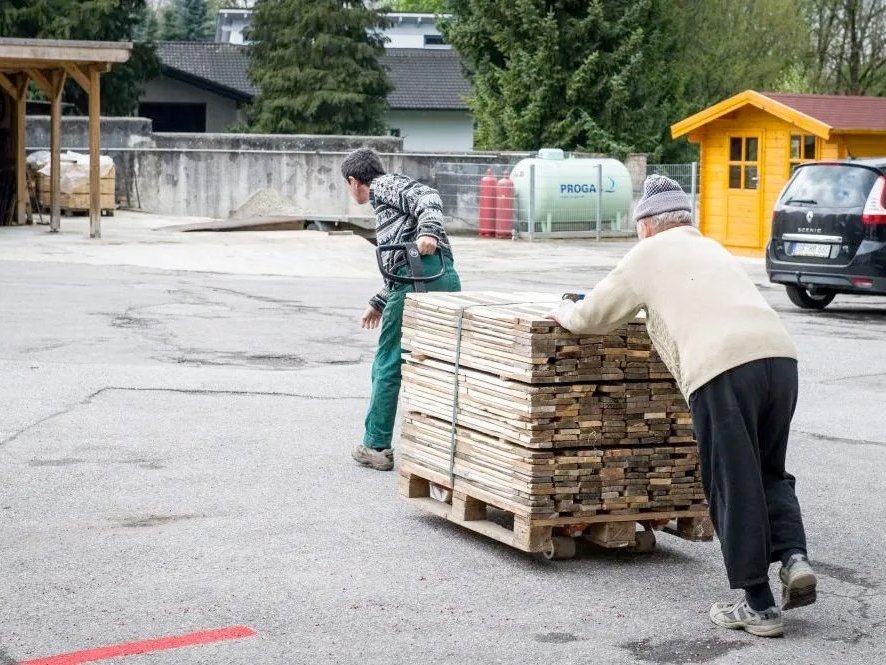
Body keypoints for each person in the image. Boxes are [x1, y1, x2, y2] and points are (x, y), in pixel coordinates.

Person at [547, 175, 816, 638]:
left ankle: (759, 606)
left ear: (648, 225)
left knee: (733, 481)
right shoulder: (711, 247)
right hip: (780, 359)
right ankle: (793, 558)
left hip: (723, 370)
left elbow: (593, 317)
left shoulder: (646, 255)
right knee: (770, 470)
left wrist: (564, 312)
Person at [341, 148, 461, 471]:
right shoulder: (388, 202)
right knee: (439, 363)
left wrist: (428, 232)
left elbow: (429, 196)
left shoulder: (383, 187)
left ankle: (375, 445)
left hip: (418, 279)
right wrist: (379, 302)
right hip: (441, 276)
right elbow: (404, 259)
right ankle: (446, 444)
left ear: (354, 182)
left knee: (387, 364)